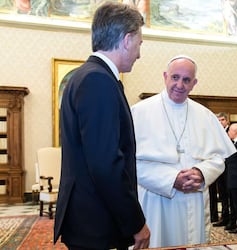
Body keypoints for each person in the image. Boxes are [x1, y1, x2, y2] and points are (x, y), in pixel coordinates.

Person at [53, 2, 150, 249]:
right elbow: (105, 163)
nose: (139, 53)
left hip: (90, 217)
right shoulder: (98, 80)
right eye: (140, 44)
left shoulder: (84, 76)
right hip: (96, 222)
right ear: (127, 39)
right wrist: (136, 223)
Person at [130, 55, 236, 248]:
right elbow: (130, 163)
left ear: (194, 83)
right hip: (155, 202)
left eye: (186, 80)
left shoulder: (204, 115)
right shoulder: (139, 112)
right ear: (165, 76)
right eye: (175, 77)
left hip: (193, 200)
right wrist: (171, 180)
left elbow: (218, 158)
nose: (180, 84)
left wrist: (201, 173)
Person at [212, 112, 234, 230]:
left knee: (230, 195)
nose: (220, 122)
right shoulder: (216, 133)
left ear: (226, 121)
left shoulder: (231, 131)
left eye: (221, 120)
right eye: (218, 120)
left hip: (229, 168)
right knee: (222, 194)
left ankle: (231, 219)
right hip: (219, 168)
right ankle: (224, 217)